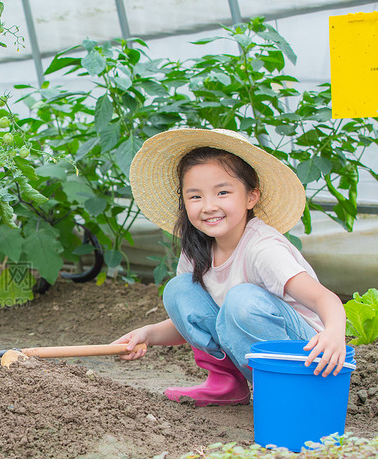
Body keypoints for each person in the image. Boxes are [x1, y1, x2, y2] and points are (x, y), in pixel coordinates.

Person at [114, 128, 347, 406]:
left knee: (241, 300)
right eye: (195, 196)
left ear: (251, 197)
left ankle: (289, 393)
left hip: (307, 356)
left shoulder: (263, 248)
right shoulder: (197, 248)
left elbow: (324, 298)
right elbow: (198, 322)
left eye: (223, 192)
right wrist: (148, 334)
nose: (209, 206)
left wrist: (334, 333)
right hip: (256, 356)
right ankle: (226, 383)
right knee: (179, 290)